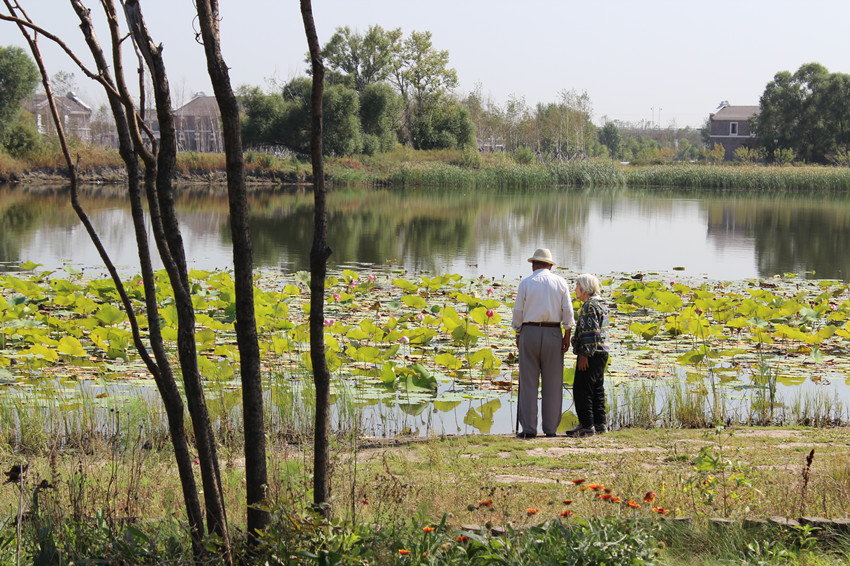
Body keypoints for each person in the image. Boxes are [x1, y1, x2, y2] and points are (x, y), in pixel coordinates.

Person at [511, 248, 575, 438]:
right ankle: (550, 429)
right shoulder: (560, 282)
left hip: (529, 331)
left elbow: (518, 312)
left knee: (528, 381)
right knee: (553, 383)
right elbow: (568, 311)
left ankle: (529, 429)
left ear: (534, 264)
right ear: (550, 265)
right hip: (553, 332)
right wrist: (567, 334)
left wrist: (517, 332)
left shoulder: (526, 283)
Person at [566, 273, 610, 438]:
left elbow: (591, 332)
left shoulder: (589, 305)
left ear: (584, 288)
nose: (575, 289)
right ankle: (600, 424)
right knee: (597, 388)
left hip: (591, 353)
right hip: (602, 352)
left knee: (581, 389)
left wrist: (584, 354)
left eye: (577, 286)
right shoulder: (601, 303)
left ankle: (586, 425)